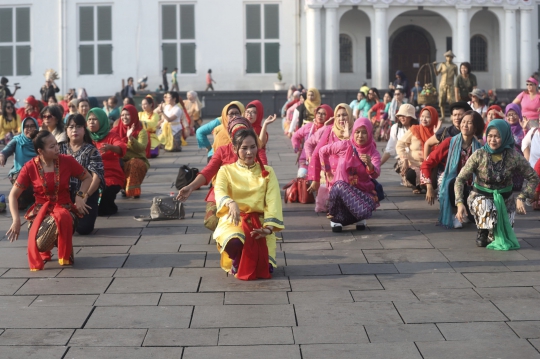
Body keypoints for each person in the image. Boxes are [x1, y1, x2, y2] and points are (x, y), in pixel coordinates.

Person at [6, 130, 92, 271]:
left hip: (66, 210)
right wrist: (16, 220)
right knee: (40, 243)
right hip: (40, 213)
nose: (57, 149)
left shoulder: (67, 161)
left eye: (56, 145)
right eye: (52, 147)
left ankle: (63, 246)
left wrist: (80, 195)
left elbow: (87, 178)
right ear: (40, 151)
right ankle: (59, 245)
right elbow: (13, 195)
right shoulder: (29, 167)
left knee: (62, 216)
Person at [455, 119, 539, 249]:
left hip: (505, 199)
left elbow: (533, 177)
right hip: (482, 198)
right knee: (486, 207)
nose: (492, 140)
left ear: (505, 136)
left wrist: (522, 197)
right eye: (490, 136)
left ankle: (492, 231)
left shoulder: (513, 156)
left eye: (497, 136)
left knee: (504, 236)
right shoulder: (479, 155)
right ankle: (482, 231)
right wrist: (459, 203)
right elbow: (460, 179)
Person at [212, 128, 283, 279]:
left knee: (266, 268)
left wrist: (269, 228)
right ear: (235, 149)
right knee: (234, 241)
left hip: (260, 223)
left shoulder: (268, 172)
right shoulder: (225, 171)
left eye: (253, 147)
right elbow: (219, 191)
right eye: (244, 148)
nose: (250, 152)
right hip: (234, 219)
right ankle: (237, 259)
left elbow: (273, 201)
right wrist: (230, 202)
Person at [177, 117, 268, 234]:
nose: (249, 151)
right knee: (212, 220)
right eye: (237, 135)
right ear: (231, 138)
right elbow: (208, 171)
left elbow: (266, 174)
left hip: (249, 193)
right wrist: (191, 187)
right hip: (223, 193)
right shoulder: (222, 151)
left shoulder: (256, 151)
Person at [422, 111, 484, 228]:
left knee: (476, 218)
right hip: (449, 183)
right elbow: (427, 164)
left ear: (476, 128)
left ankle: (466, 211)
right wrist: (429, 186)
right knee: (453, 182)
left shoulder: (480, 149)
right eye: (463, 122)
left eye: (469, 123)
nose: (465, 125)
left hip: (471, 186)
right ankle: (454, 213)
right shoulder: (449, 142)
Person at [320, 117, 381, 232]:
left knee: (364, 209)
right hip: (339, 194)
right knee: (339, 186)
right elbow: (322, 151)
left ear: (369, 134)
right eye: (357, 132)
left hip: (361, 195)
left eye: (364, 132)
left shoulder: (373, 153)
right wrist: (327, 171)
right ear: (353, 132)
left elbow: (375, 174)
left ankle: (344, 219)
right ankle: (339, 218)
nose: (360, 136)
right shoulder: (344, 146)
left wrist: (369, 165)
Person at [60, 114, 105, 235]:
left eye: (79, 126)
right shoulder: (59, 149)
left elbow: (97, 177)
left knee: (84, 229)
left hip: (86, 193)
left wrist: (84, 196)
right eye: (71, 127)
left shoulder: (92, 151)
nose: (74, 130)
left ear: (84, 130)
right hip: (63, 195)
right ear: (66, 130)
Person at [306, 104, 355, 207]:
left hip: (353, 175)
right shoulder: (329, 131)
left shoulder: (357, 131)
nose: (341, 118)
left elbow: (366, 151)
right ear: (335, 117)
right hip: (332, 175)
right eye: (338, 115)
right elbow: (316, 153)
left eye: (345, 115)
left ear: (350, 116)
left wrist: (348, 137)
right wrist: (315, 179)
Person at [87, 108, 126, 216]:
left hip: (110, 175)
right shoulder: (86, 136)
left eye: (95, 119)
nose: (91, 122)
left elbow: (121, 147)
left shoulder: (111, 135)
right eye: (89, 119)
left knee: (104, 203)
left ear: (102, 120)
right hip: (89, 175)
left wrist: (111, 147)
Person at [396, 105, 439, 193]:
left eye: (427, 117)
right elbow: (400, 145)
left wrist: (436, 134)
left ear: (434, 118)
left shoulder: (438, 133)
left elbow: (440, 150)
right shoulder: (415, 129)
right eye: (422, 116)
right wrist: (405, 159)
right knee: (410, 175)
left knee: (434, 182)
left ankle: (425, 185)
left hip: (432, 166)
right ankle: (417, 185)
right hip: (415, 164)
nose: (424, 119)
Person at [111, 105, 150, 198]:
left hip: (138, 160)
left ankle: (133, 190)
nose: (124, 117)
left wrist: (131, 138)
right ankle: (123, 188)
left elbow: (141, 148)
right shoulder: (115, 130)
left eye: (127, 114)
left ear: (133, 115)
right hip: (120, 160)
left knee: (134, 163)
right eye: (123, 115)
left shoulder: (141, 132)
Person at [0, 117, 39, 209]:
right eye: (26, 126)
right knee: (23, 178)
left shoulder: (40, 140)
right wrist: (2, 156)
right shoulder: (17, 140)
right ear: (22, 128)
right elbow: (6, 150)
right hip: (19, 171)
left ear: (36, 127)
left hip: (38, 171)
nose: (29, 129)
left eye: (32, 126)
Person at [292, 104, 333, 178]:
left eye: (324, 114)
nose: (320, 116)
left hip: (323, 161)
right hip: (306, 160)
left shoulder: (331, 129)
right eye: (318, 113)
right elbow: (295, 136)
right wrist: (296, 147)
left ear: (329, 116)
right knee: (302, 176)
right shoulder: (309, 126)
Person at [504, 103, 526, 191]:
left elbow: (527, 144)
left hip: (519, 166)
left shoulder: (524, 129)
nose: (511, 117)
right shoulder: (503, 129)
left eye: (514, 114)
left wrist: (524, 129)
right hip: (506, 166)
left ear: (519, 114)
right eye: (509, 115)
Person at [435, 51, 458, 120]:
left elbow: (457, 76)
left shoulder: (454, 66)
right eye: (448, 57)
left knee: (451, 101)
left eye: (451, 57)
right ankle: (443, 116)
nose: (449, 58)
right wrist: (434, 66)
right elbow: (437, 73)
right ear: (445, 57)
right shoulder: (442, 64)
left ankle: (451, 115)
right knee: (442, 100)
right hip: (442, 85)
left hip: (451, 85)